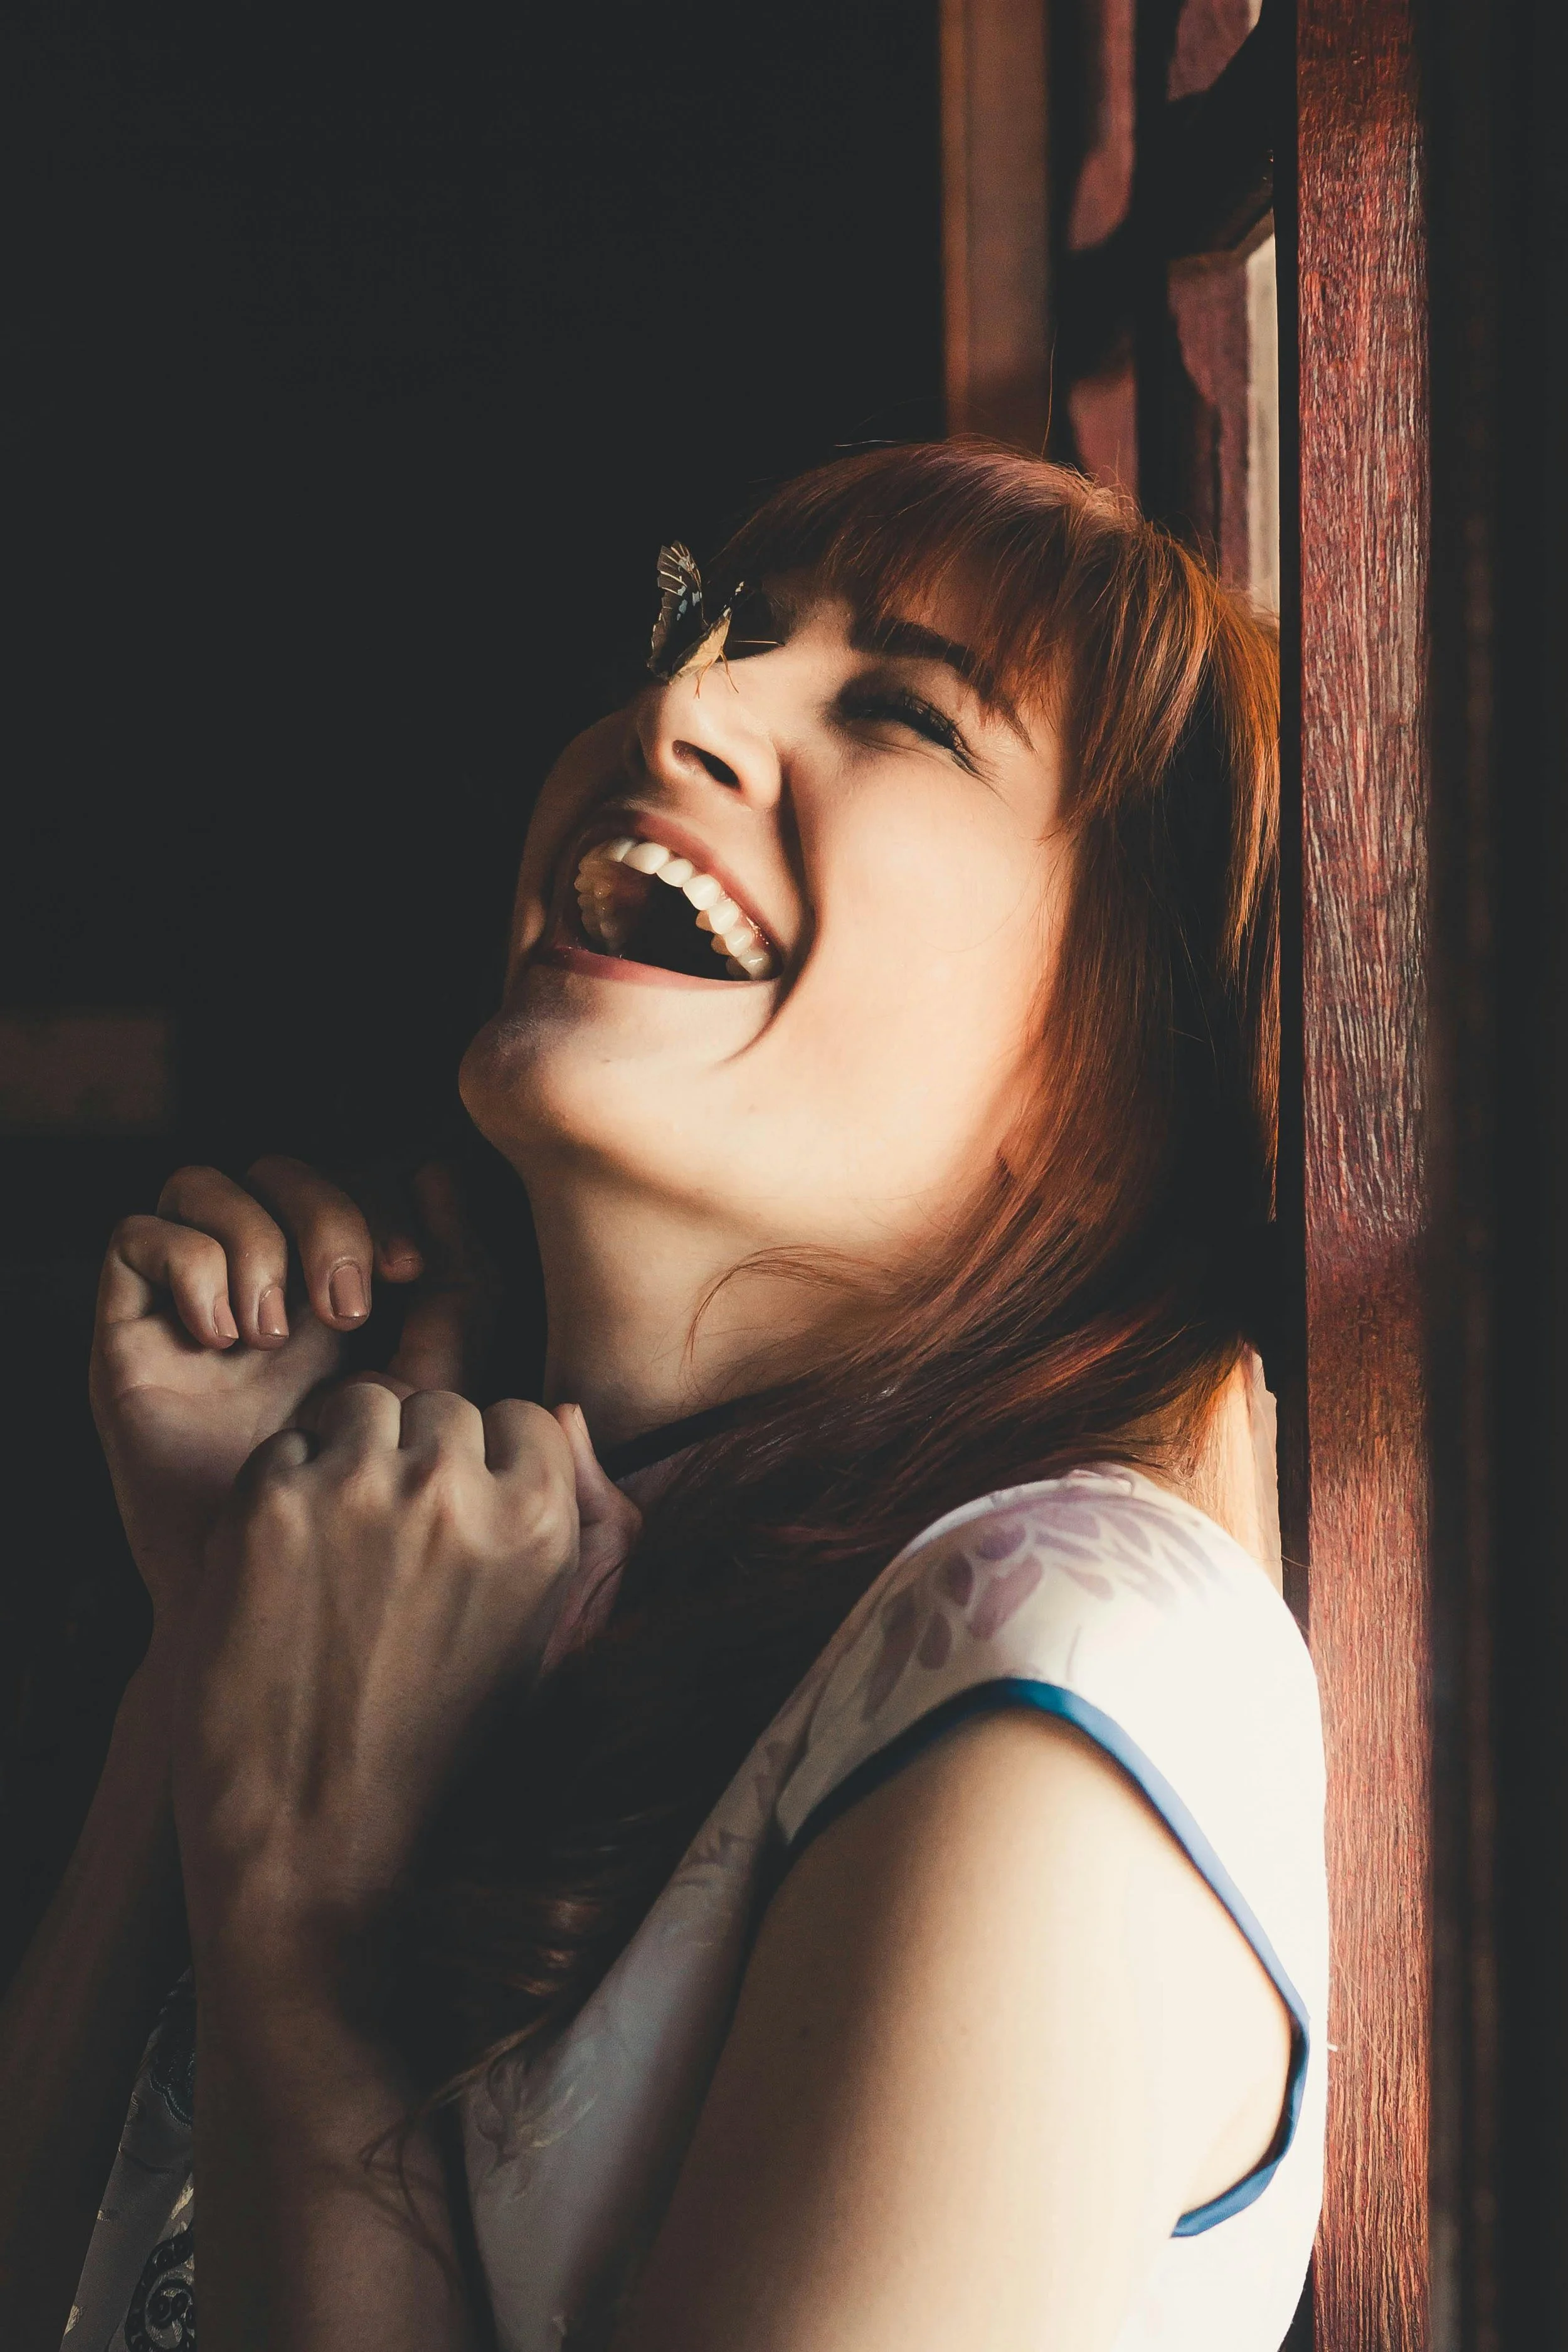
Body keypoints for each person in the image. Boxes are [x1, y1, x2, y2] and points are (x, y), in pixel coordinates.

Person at [0, 443, 1324, 2352]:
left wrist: (302, 1922)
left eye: (904, 713)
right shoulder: (479, 1573)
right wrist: (215, 1631)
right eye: (718, 633)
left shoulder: (1062, 1665)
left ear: (1121, 1068)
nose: (684, 699)